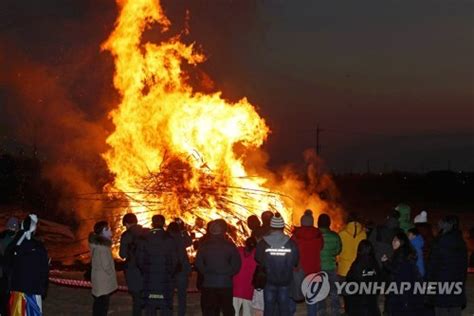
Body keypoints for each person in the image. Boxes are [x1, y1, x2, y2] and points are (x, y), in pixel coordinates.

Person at [255, 212, 299, 316]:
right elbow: (295, 261)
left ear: (271, 227)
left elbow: (257, 258)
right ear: (283, 227)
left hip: (269, 282)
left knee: (269, 309)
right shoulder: (291, 243)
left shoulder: (263, 243)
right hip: (285, 282)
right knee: (284, 309)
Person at [196, 219, 241, 316]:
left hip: (208, 283)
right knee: (227, 310)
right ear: (224, 231)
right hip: (225, 284)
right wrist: (227, 273)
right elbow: (236, 265)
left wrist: (207, 272)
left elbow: (199, 264)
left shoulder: (203, 246)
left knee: (210, 311)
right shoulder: (230, 246)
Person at [8, 214, 49, 316]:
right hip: (33, 290)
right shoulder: (39, 248)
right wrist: (43, 288)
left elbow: (8, 265)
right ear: (34, 229)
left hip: (17, 288)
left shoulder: (15, 245)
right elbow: (44, 270)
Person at [427, 215, 467, 316]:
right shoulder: (461, 242)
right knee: (455, 311)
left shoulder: (440, 242)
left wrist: (429, 287)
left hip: (441, 286)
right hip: (456, 285)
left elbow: (433, 267)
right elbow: (464, 266)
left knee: (441, 311)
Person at [138, 215, 177, 316]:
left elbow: (140, 260)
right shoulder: (170, 239)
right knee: (166, 307)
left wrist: (146, 271)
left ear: (152, 223)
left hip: (149, 279)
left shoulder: (144, 239)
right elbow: (174, 261)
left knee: (150, 308)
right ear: (164, 224)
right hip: (165, 279)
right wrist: (170, 273)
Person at [290, 209, 324, 315]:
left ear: (302, 222)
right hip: (314, 269)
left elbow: (291, 250)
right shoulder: (319, 235)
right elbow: (321, 247)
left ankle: (291, 312)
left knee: (294, 294)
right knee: (312, 297)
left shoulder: (295, 236)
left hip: (299, 270)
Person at [381, 232, 424, 316]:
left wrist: (385, 262)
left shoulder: (401, 254)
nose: (393, 242)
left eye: (396, 240)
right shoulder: (406, 253)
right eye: (393, 240)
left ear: (402, 241)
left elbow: (396, 269)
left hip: (400, 293)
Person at [119, 213, 148, 316]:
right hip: (148, 269)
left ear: (127, 223)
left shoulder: (126, 235)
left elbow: (122, 255)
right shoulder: (147, 232)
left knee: (136, 299)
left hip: (133, 270)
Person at [345, 240, 381, 316]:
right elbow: (378, 278)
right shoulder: (374, 262)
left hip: (359, 298)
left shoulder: (357, 263)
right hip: (371, 296)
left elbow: (350, 278)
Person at [89, 220, 118, 316]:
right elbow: (106, 265)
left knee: (98, 303)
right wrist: (111, 274)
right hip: (103, 280)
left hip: (98, 278)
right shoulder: (103, 248)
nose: (110, 231)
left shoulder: (96, 245)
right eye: (108, 229)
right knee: (103, 304)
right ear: (103, 231)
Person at [318, 213, 342, 316]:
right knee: (334, 291)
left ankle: (322, 312)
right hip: (331, 267)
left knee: (320, 291)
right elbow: (338, 250)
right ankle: (335, 312)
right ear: (329, 223)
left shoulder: (316, 235)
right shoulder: (335, 236)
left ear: (318, 223)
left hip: (318, 268)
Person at [167, 219, 192, 316]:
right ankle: (181, 313)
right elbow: (189, 242)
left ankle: (168, 312)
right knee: (182, 296)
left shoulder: (166, 239)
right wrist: (184, 231)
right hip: (181, 270)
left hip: (169, 271)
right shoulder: (181, 238)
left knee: (169, 294)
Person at [233, 237, 258, 316]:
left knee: (234, 311)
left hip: (236, 286)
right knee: (247, 312)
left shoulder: (238, 251)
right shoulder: (257, 254)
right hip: (249, 287)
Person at [0, 216, 19, 316]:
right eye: (11, 228)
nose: (12, 230)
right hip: (5, 273)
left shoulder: (18, 240)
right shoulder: (4, 240)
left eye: (14, 228)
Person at [338, 212, 367, 278]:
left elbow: (337, 251)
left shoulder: (341, 234)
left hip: (343, 269)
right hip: (358, 269)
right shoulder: (363, 234)